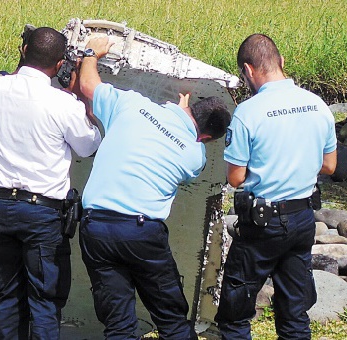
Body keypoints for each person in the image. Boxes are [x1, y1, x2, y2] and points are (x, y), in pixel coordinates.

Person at [77, 37, 232, 339]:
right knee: (172, 319)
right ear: (207, 138)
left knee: (118, 323)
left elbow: (87, 85)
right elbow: (187, 155)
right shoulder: (194, 154)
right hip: (142, 233)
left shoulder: (131, 104)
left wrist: (91, 53)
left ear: (190, 106)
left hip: (96, 228)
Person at [0, 27, 102, 339]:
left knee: (7, 295)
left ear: (22, 52)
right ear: (60, 66)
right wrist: (81, 101)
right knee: (44, 300)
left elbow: (14, 87)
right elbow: (89, 146)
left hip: (0, 206)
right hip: (42, 213)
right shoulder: (64, 104)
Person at [214, 34, 337, 340]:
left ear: (248, 70)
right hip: (303, 218)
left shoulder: (248, 112)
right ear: (282, 62)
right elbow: (330, 166)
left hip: (262, 225)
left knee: (235, 314)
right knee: (294, 312)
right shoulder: (317, 105)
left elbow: (235, 178)